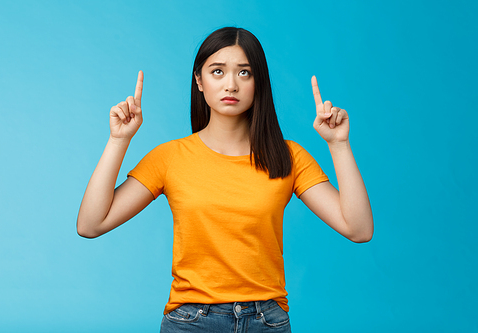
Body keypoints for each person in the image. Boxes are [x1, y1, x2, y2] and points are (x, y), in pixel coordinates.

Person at [77, 27, 373, 333]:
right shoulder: (170, 157)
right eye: (217, 71)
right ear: (199, 81)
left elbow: (359, 229)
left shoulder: (288, 156)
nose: (230, 84)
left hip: (266, 321)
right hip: (191, 321)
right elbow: (90, 224)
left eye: (244, 72)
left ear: (258, 82)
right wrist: (118, 140)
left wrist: (338, 144)